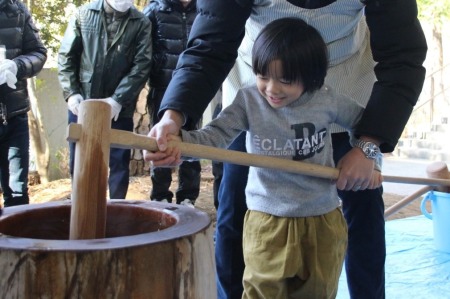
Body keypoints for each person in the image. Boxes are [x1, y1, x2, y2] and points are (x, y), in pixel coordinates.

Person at [144, 1, 428, 298]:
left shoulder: (334, 102)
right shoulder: (254, 97)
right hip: (259, 102)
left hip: (343, 86)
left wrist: (368, 146)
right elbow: (210, 45)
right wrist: (173, 119)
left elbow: (402, 55)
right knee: (233, 211)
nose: (276, 87)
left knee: (365, 211)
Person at [58, 0, 152, 200]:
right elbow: (67, 56)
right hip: (83, 104)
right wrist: (72, 92)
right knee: (81, 161)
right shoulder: (83, 14)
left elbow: (142, 64)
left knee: (118, 161)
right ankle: (81, 209)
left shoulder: (141, 21)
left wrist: (118, 99)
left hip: (121, 108)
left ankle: (117, 210)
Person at [143, 0, 200, 207]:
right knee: (160, 141)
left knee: (191, 143)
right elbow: (143, 51)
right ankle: (160, 195)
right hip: (162, 88)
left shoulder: (203, 8)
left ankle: (187, 196)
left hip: (194, 90)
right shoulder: (154, 9)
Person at [0, 0, 47, 208]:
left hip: (14, 114)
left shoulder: (17, 9)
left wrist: (16, 66)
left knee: (18, 194)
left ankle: (16, 240)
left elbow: (38, 52)